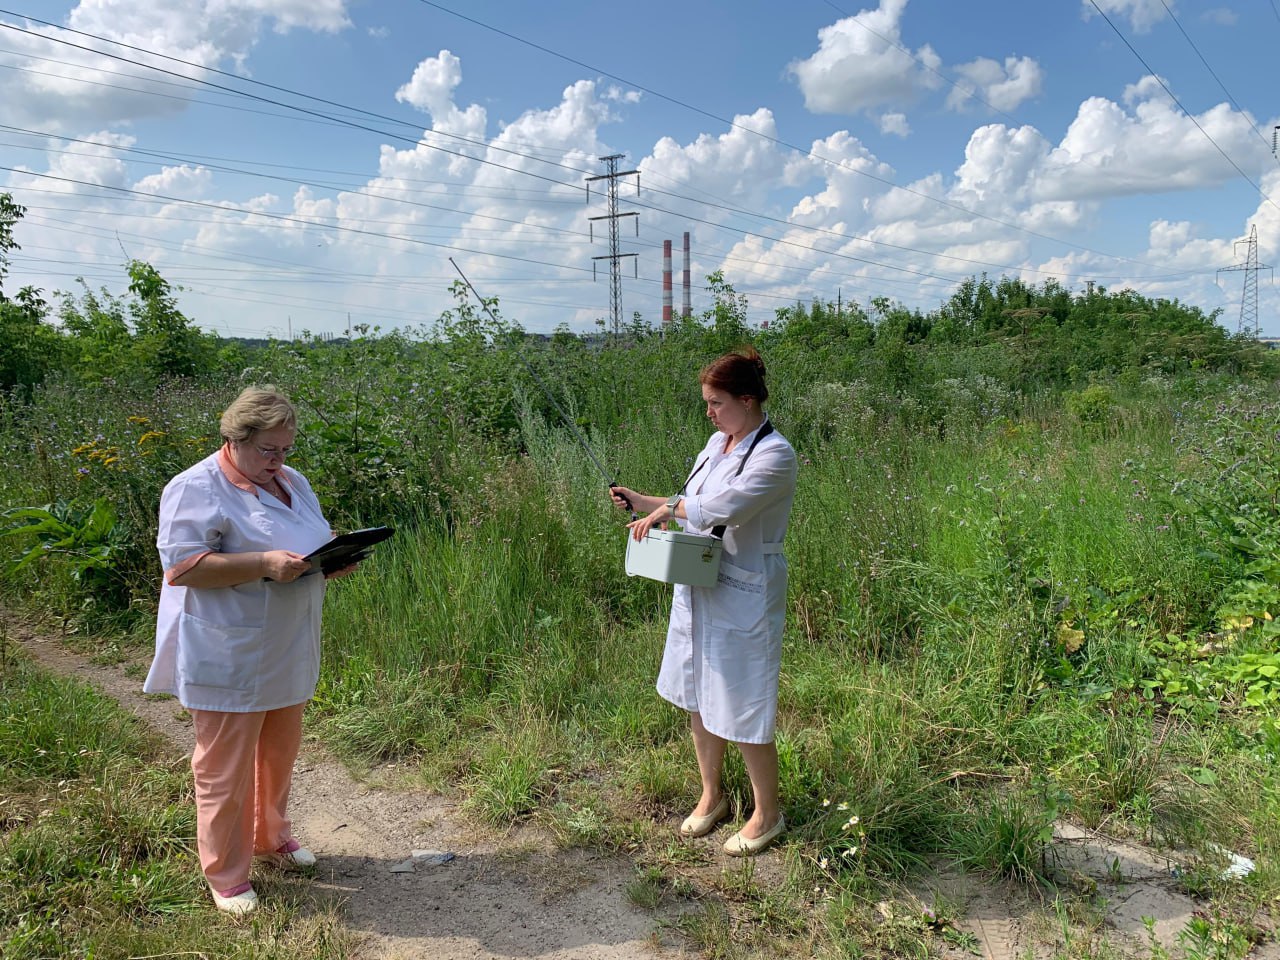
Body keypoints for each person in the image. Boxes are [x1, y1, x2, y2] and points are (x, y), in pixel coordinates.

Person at [143, 385, 356, 914]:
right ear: (233, 439)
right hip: (230, 650)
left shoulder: (292, 481)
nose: (279, 461)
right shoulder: (195, 487)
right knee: (223, 766)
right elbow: (183, 567)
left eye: (286, 449)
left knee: (280, 751)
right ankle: (226, 874)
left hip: (288, 640)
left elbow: (306, 537)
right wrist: (263, 563)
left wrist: (330, 558)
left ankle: (272, 837)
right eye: (268, 450)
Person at [610, 348, 797, 856]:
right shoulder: (717, 444)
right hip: (699, 581)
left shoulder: (775, 454)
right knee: (697, 688)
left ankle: (767, 813)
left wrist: (670, 507)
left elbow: (724, 508)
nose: (709, 413)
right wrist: (647, 503)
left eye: (716, 403)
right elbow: (691, 500)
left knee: (743, 698)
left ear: (747, 398)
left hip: (746, 586)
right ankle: (711, 795)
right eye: (706, 404)